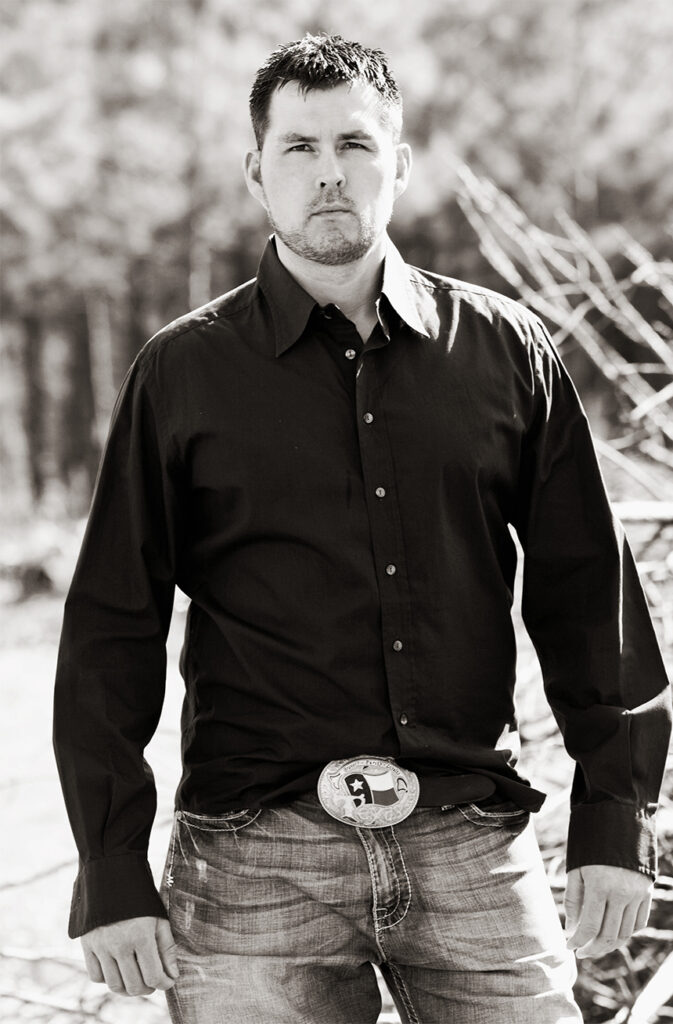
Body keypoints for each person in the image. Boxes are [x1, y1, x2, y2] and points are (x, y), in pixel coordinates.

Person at [53, 33, 671, 1024]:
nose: (329, 173)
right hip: (255, 857)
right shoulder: (182, 373)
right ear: (256, 172)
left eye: (355, 143)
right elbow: (111, 628)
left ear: (400, 163)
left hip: (470, 841)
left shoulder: (505, 353)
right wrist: (111, 866)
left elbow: (587, 593)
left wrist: (614, 814)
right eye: (298, 148)